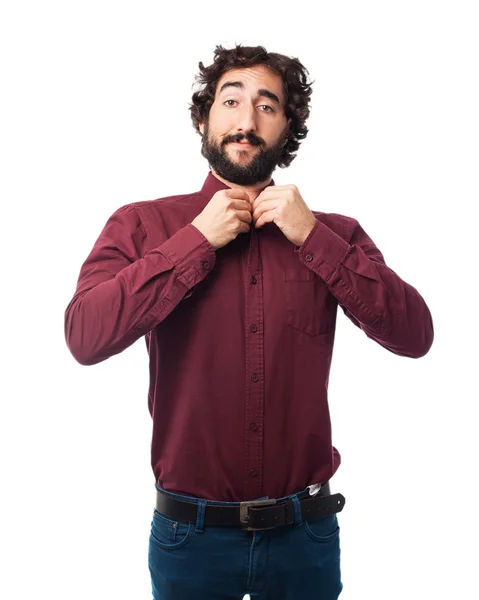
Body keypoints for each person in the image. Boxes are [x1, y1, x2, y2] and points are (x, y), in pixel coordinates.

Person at [64, 44, 434, 600]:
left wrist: (314, 238)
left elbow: (414, 334)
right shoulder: (143, 224)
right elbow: (84, 336)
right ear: (203, 118)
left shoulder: (335, 233)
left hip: (305, 535)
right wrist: (194, 243)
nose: (245, 120)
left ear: (288, 129)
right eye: (230, 100)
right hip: (188, 539)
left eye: (267, 105)